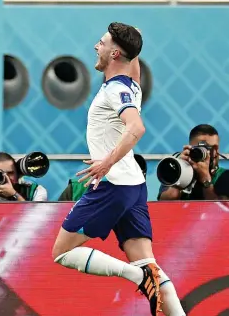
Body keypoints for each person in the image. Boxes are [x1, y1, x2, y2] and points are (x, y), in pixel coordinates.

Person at [51, 23, 185, 316]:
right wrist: (132, 35)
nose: (95, 47)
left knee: (62, 251)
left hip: (113, 184)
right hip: (135, 186)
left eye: (100, 43)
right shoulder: (132, 82)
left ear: (114, 54)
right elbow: (132, 55)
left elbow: (136, 127)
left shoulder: (116, 90)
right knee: (148, 263)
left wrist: (106, 163)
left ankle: (137, 277)